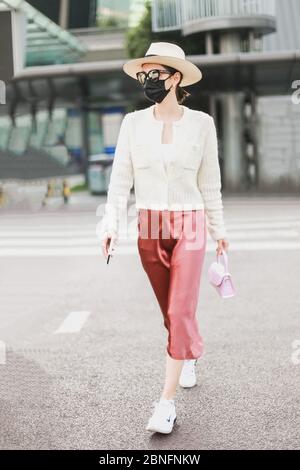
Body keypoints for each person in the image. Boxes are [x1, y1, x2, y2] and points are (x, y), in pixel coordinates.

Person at [99, 42, 229, 434]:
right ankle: (186, 351)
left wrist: (219, 232)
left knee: (178, 310)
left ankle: (166, 404)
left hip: (189, 224)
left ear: (175, 77)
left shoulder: (202, 124)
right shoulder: (133, 124)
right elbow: (120, 180)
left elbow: (210, 184)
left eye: (155, 74)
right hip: (149, 226)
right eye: (144, 74)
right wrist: (110, 225)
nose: (148, 81)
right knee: (169, 311)